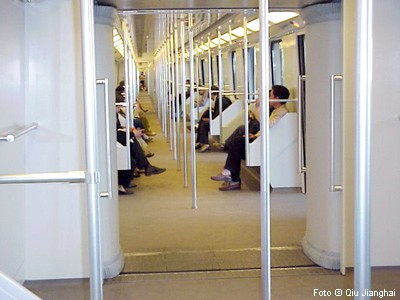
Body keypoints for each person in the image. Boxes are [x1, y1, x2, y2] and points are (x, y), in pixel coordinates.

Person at [210, 85, 290, 191]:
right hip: (263, 139)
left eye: (270, 95)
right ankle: (230, 176)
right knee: (237, 143)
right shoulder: (276, 110)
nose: (268, 97)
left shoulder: (281, 111)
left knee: (237, 143)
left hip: (268, 144)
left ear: (277, 98)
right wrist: (256, 135)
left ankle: (232, 177)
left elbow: (268, 125)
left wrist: (258, 109)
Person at [195, 85, 232, 152]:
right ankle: (201, 142)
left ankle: (206, 144)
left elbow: (218, 114)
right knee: (201, 122)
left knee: (204, 125)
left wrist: (210, 120)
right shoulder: (220, 99)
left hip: (223, 121)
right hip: (222, 118)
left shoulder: (219, 100)